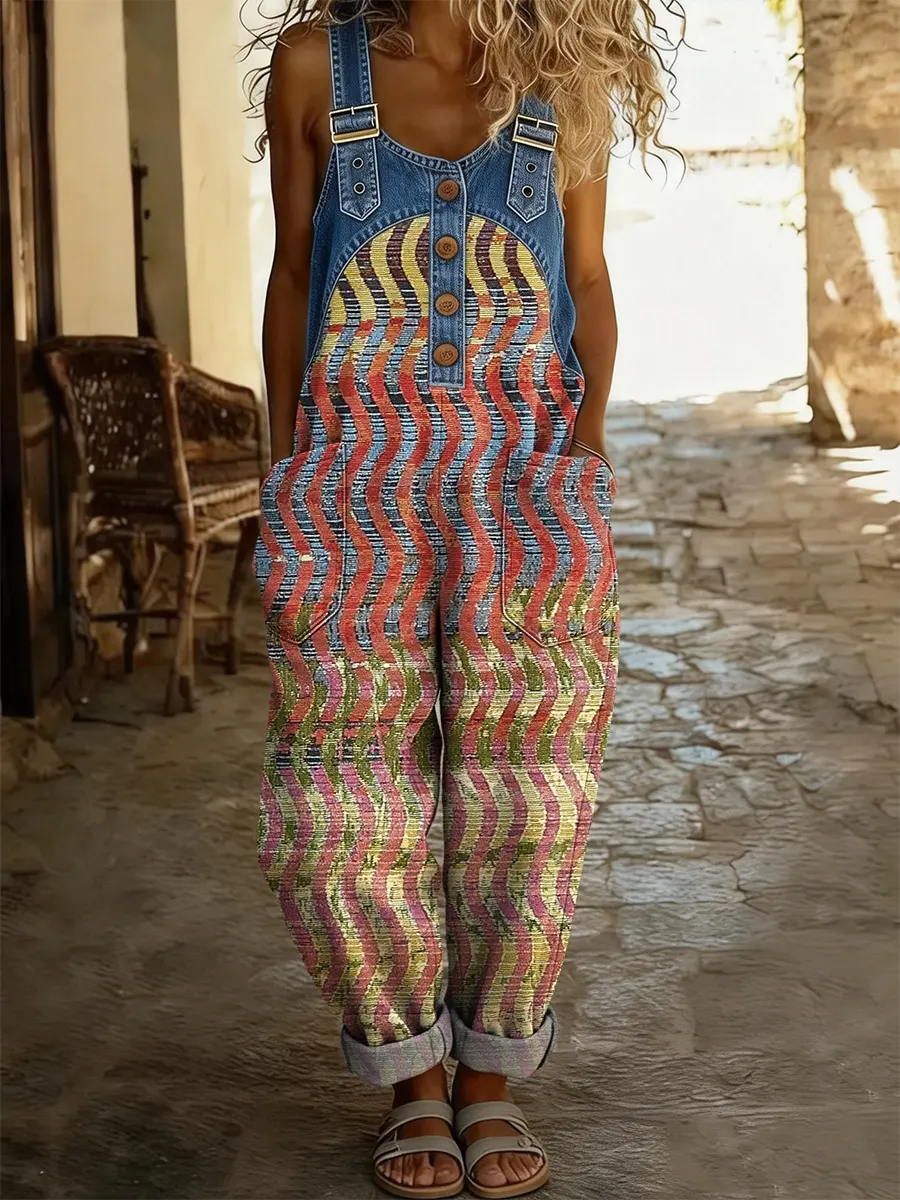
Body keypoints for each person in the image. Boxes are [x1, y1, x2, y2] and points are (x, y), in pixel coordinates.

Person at [252, 2, 674, 1196]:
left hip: (525, 482)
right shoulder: (314, 67)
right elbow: (294, 272)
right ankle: (410, 1078)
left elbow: (585, 276)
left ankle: (487, 1078)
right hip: (349, 482)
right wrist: (286, 471)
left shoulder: (564, 72)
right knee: (342, 800)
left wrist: (584, 449)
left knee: (531, 787)